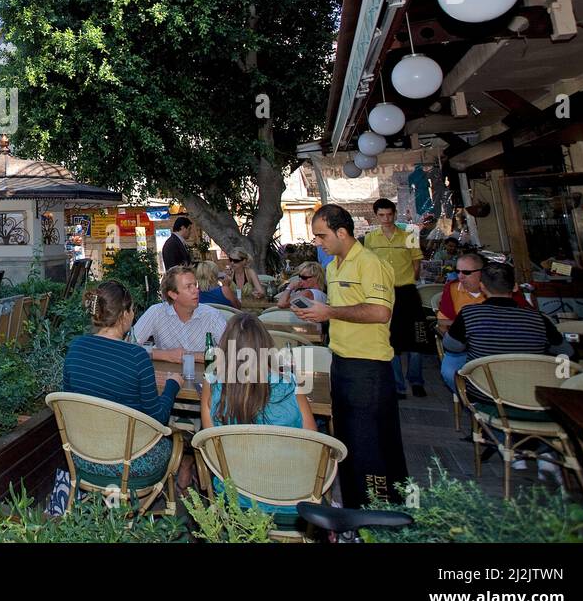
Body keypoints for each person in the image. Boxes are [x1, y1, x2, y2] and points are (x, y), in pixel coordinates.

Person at [294, 204, 406, 507]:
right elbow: (346, 311)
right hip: (341, 361)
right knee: (350, 442)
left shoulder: (371, 263)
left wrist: (329, 310)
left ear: (342, 232)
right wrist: (318, 314)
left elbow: (381, 311)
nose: (317, 242)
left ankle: (380, 513)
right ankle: (355, 508)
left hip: (368, 366)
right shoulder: (333, 266)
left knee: (372, 445)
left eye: (322, 235)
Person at [62, 281, 182, 491]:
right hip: (130, 463)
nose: (134, 315)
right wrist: (173, 384)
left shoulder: (75, 348)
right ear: (125, 314)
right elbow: (158, 418)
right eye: (133, 310)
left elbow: (71, 404)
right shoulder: (136, 357)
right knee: (175, 440)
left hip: (83, 457)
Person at [201, 312, 316, 519]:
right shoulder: (289, 385)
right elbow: (313, 443)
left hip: (236, 499)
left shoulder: (213, 385)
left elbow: (210, 442)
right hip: (292, 501)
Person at [440, 260, 572, 392]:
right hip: (530, 395)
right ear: (515, 287)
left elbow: (452, 346)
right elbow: (567, 352)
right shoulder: (540, 319)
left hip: (485, 393)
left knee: (454, 360)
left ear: (482, 287)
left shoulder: (469, 314)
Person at [364, 198, 427, 398]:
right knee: (391, 340)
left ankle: (416, 381)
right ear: (376, 216)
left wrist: (411, 278)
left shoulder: (409, 236)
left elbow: (417, 262)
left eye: (389, 214)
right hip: (385, 294)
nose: (386, 219)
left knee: (418, 337)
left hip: (408, 291)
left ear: (395, 213)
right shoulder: (371, 238)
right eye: (381, 215)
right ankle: (398, 384)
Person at [131, 266, 228, 364]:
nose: (196, 290)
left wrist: (189, 356)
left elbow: (232, 352)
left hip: (206, 377)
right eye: (189, 286)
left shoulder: (212, 315)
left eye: (195, 285)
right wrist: (166, 355)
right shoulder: (156, 312)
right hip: (166, 376)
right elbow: (129, 346)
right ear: (173, 294)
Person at [436, 250, 530, 324]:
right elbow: (441, 321)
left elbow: (526, 317)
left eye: (466, 272)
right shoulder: (452, 288)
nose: (460, 276)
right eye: (458, 271)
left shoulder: (499, 289)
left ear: (482, 272)